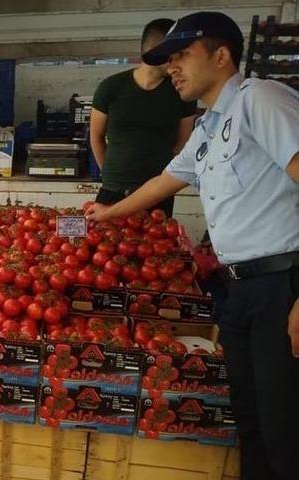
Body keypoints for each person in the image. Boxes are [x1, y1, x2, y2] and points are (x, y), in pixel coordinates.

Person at [86, 12, 299, 480]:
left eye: (182, 55)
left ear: (221, 56)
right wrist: (108, 212)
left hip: (281, 284)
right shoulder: (208, 127)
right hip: (240, 288)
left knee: (286, 426)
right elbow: (165, 181)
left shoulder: (259, 101)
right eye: (168, 59)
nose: (171, 67)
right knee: (251, 418)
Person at [89, 18, 198, 216]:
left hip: (157, 194)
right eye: (174, 54)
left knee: (157, 243)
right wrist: (109, 173)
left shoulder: (182, 92)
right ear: (154, 50)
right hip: (112, 190)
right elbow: (96, 136)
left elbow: (183, 142)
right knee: (104, 243)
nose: (178, 63)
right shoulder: (110, 88)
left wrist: (160, 179)